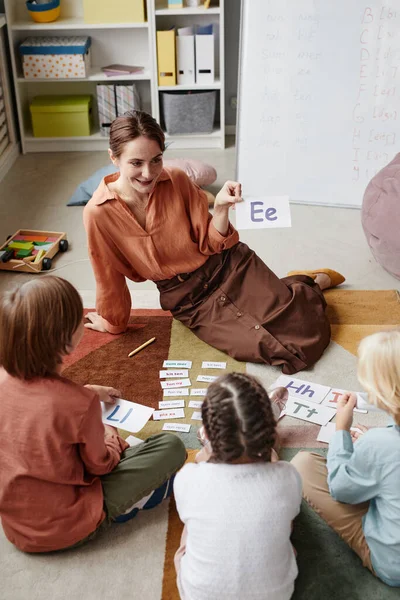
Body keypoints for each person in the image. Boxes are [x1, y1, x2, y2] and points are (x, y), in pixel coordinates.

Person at [83, 110, 345, 375]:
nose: (148, 173)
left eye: (156, 160)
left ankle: (309, 285)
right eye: (136, 163)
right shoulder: (98, 212)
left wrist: (220, 208)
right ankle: (294, 284)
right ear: (114, 158)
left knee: (304, 329)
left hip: (229, 266)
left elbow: (211, 243)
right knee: (281, 351)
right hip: (190, 301)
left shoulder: (177, 180)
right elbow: (107, 273)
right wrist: (113, 322)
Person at [0, 276, 186, 553]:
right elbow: (102, 465)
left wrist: (84, 392)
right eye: (79, 317)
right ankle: (122, 508)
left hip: (17, 527)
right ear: (65, 343)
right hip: (69, 525)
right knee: (171, 446)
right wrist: (111, 436)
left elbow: (37, 408)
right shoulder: (79, 404)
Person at [173, 372, 302, 600]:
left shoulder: (187, 478)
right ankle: (265, 424)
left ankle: (210, 444)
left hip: (200, 595)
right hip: (276, 595)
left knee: (194, 526)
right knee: (282, 524)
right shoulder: (288, 475)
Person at [291, 330, 400, 587]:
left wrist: (341, 430)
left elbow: (341, 490)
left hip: (393, 563)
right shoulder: (380, 443)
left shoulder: (379, 446)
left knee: (303, 465)